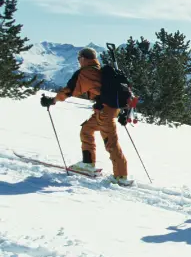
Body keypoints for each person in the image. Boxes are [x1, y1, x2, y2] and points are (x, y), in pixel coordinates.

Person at [40, 47, 131, 186]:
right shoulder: (101, 71)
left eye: (79, 59)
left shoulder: (86, 73)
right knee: (86, 130)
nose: (78, 62)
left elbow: (69, 90)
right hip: (106, 111)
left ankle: (121, 176)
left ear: (83, 58)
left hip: (104, 113)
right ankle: (88, 163)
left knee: (111, 143)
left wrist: (53, 100)